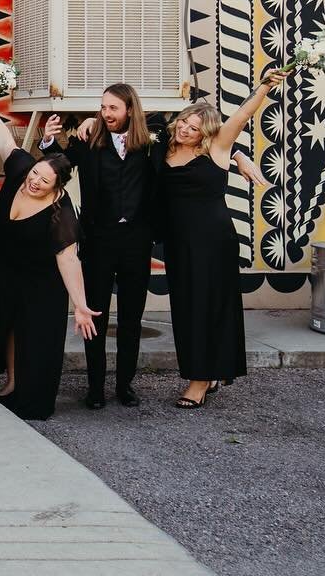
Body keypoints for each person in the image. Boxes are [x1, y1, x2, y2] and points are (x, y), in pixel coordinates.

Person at [45, 87, 264, 409]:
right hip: (98, 241)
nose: (106, 113)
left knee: (132, 318)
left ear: (130, 110)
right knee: (96, 315)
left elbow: (204, 142)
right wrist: (48, 142)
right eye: (103, 107)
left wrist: (237, 154)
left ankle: (125, 386)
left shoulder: (152, 144)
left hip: (137, 242)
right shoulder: (87, 140)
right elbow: (60, 165)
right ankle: (94, 388)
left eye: (113, 108)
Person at [158, 70, 286, 409]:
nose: (185, 129)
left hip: (212, 240)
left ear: (207, 132)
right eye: (184, 122)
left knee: (208, 306)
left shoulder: (217, 147)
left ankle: (200, 380)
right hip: (177, 241)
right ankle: (206, 370)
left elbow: (242, 115)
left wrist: (264, 87)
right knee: (186, 308)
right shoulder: (164, 148)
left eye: (194, 127)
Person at [0, 109, 99, 420]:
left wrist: (81, 305)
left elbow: (68, 259)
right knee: (4, 328)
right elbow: (4, 143)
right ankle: (10, 382)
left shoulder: (60, 210)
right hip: (4, 269)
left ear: (57, 187)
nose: (34, 182)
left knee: (33, 335)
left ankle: (29, 396)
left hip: (41, 281)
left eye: (43, 181)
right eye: (34, 174)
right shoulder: (20, 171)